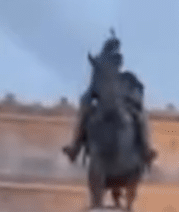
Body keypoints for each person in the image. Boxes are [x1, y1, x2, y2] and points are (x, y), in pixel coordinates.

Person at [62, 32, 157, 167]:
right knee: (84, 116)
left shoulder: (124, 75)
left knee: (141, 117)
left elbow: (138, 91)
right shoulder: (103, 69)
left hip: (120, 104)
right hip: (104, 104)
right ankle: (75, 148)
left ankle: (146, 149)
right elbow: (92, 89)